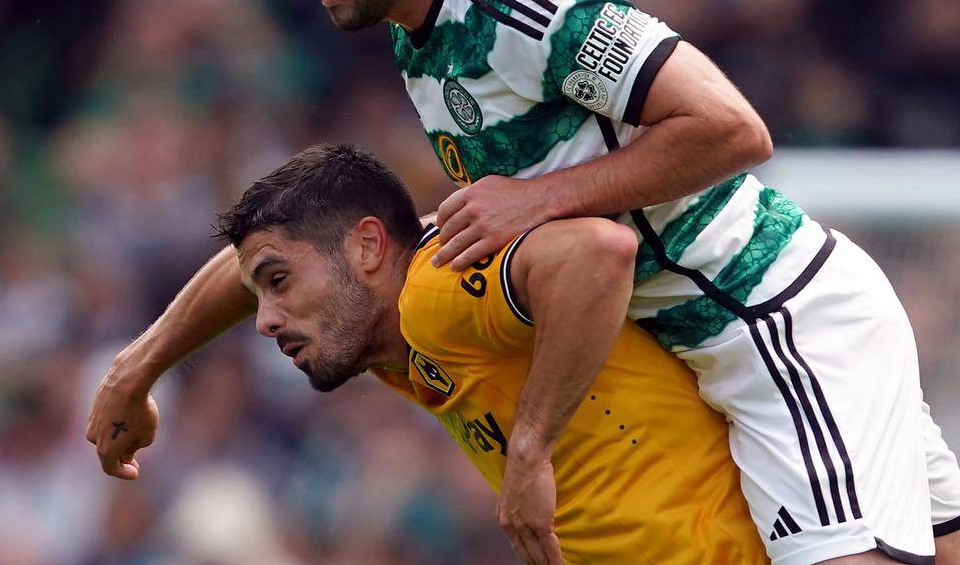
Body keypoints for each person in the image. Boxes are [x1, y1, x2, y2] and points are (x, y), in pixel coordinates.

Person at [88, 0, 960, 565]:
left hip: (769, 323)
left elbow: (731, 127)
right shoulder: (419, 28)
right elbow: (294, 247)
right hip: (714, 348)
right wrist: (140, 365)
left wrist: (541, 203)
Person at [219, 144, 768, 563]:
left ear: (367, 246)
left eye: (279, 280)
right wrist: (137, 370)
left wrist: (529, 452)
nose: (265, 319)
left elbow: (598, 252)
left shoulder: (431, 294)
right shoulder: (392, 344)